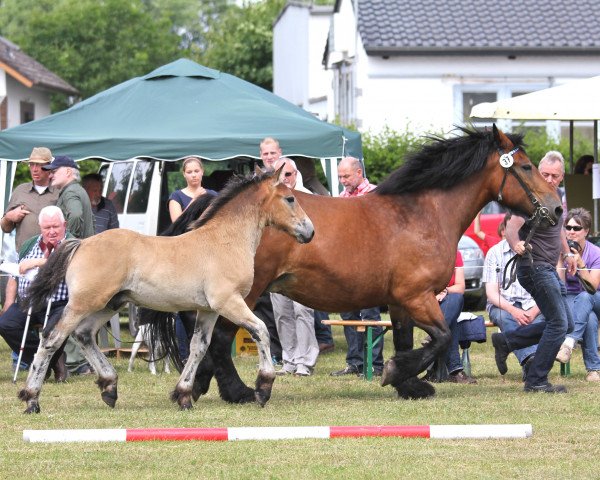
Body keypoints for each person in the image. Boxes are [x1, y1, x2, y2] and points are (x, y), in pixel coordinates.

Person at [492, 150, 575, 393]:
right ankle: (536, 380)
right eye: (546, 174)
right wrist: (514, 244)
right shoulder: (530, 196)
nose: (549, 179)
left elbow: (559, 227)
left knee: (565, 323)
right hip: (533, 266)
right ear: (538, 172)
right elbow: (510, 227)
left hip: (547, 267)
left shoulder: (557, 196)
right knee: (559, 324)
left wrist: (567, 253)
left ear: (561, 178)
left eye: (555, 176)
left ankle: (507, 341)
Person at [0, 206, 72, 382]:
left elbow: (65, 264)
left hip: (60, 302)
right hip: (29, 301)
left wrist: (38, 262)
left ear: (65, 224)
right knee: (6, 323)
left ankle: (47, 361)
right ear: (40, 227)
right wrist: (9, 301)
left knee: (53, 330)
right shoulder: (29, 244)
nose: (52, 231)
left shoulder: (72, 244)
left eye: (56, 226)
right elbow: (14, 275)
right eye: (47, 228)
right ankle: (47, 361)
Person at [331, 156, 385, 377]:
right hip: (346, 265)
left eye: (346, 176)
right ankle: (355, 362)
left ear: (359, 173)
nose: (343, 181)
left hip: (370, 265)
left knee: (370, 316)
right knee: (348, 315)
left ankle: (375, 364)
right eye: (340, 177)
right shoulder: (341, 198)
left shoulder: (376, 194)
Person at [42, 155, 95, 375]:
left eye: (55, 169)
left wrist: (65, 240)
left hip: (77, 258)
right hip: (84, 257)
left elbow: (76, 214)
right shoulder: (73, 190)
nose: (50, 173)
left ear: (69, 172)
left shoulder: (71, 192)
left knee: (70, 307)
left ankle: (75, 363)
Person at [270, 158, 319, 376]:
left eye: (288, 174)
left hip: (303, 265)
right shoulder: (271, 200)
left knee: (303, 312)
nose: (285, 179)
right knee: (282, 314)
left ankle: (305, 361)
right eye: (280, 176)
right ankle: (289, 359)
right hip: (277, 266)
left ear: (296, 175)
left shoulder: (309, 198)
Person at [483, 213, 545, 379]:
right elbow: (491, 294)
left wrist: (534, 310)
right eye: (513, 229)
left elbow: (548, 289)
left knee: (547, 321)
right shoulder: (494, 253)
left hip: (534, 305)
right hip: (503, 305)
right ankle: (530, 360)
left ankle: (507, 345)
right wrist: (513, 310)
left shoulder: (538, 251)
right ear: (504, 230)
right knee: (505, 317)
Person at [1, 147, 59, 318]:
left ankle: (45, 342)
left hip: (51, 261)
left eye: (39, 165)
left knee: (48, 310)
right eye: (31, 164)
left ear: (49, 168)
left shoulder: (59, 191)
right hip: (24, 261)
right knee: (19, 314)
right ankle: (25, 344)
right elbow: (5, 227)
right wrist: (9, 216)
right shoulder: (20, 190)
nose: (34, 169)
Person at [555, 208, 600, 381]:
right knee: (589, 319)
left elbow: (593, 287)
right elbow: (560, 287)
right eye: (568, 227)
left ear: (586, 231)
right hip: (571, 298)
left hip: (595, 297)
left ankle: (569, 341)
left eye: (576, 228)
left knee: (585, 297)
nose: (571, 232)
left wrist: (580, 264)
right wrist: (561, 259)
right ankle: (593, 370)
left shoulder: (595, 253)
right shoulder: (560, 251)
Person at [168, 157, 217, 222]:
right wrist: (194, 200)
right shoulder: (176, 196)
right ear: (184, 174)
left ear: (202, 171)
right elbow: (176, 225)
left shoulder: (213, 195)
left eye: (196, 171)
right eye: (189, 172)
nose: (193, 175)